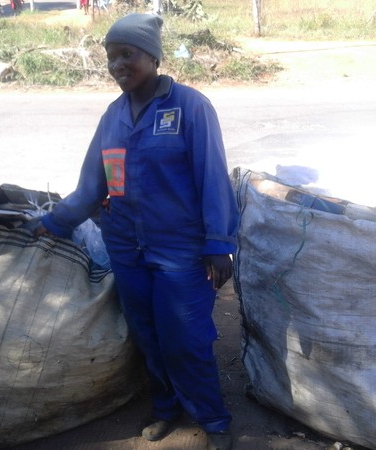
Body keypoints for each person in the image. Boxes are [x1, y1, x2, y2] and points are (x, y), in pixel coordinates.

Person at [33, 12, 238, 450]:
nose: (117, 65)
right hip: (126, 245)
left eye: (127, 54)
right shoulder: (113, 117)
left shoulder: (190, 107)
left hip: (180, 249)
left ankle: (213, 419)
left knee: (187, 337)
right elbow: (93, 184)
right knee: (146, 334)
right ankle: (165, 408)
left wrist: (219, 244)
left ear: (153, 56)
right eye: (110, 57)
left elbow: (213, 179)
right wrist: (51, 223)